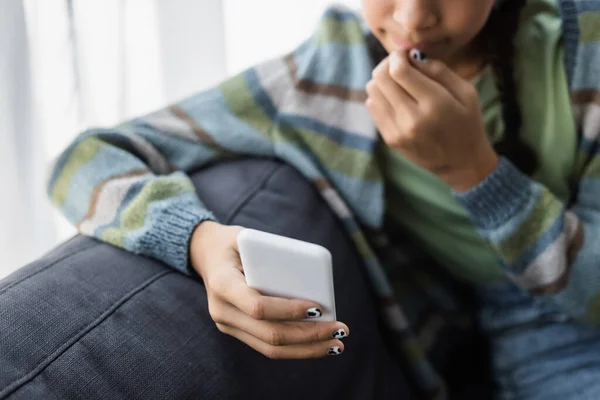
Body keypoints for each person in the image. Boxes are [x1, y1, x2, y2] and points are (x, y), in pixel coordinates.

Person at [47, 0, 600, 398]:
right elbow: (84, 159)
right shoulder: (323, 78)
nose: (412, 18)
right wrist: (198, 241)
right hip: (537, 335)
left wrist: (475, 172)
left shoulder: (584, 42)